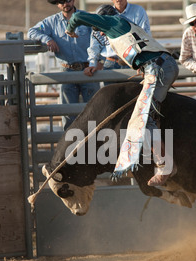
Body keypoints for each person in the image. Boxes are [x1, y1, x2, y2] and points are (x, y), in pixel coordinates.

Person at [65, 5, 179, 186]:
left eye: (98, 28)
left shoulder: (113, 23)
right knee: (148, 114)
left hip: (159, 69)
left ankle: (165, 165)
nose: (100, 33)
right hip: (160, 67)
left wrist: (70, 29)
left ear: (104, 21)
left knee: (144, 118)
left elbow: (77, 16)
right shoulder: (126, 25)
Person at [28, 0, 100, 130]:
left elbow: (99, 37)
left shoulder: (86, 18)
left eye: (68, 0)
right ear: (57, 4)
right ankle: (71, 147)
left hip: (88, 69)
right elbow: (32, 31)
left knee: (94, 111)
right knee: (68, 115)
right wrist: (47, 39)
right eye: (61, 1)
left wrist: (98, 62)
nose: (65, 4)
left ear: (73, 1)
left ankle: (95, 146)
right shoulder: (51, 22)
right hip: (67, 71)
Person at [84, 0, 151, 82]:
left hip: (132, 62)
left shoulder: (139, 11)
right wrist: (92, 63)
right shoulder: (102, 12)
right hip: (111, 63)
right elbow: (95, 42)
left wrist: (143, 63)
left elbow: (145, 38)